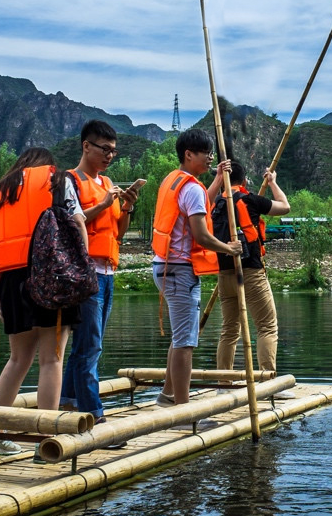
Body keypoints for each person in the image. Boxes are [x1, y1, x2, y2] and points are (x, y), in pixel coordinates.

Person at [0, 146, 85, 456]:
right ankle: (46, 440)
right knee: (51, 359)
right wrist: (81, 269)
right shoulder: (57, 179)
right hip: (50, 274)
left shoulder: (3, 189)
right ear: (48, 164)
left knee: (17, 359)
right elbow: (77, 222)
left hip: (11, 280)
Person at [60, 120, 141, 438]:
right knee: (90, 346)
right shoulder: (70, 180)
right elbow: (71, 223)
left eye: (113, 151)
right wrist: (104, 203)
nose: (110, 155)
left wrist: (127, 208)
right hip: (84, 271)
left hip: (108, 270)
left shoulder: (107, 182)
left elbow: (117, 232)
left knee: (87, 345)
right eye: (104, 149)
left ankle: (66, 406)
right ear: (86, 146)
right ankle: (94, 417)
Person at [151, 129, 243, 408]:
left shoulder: (175, 181)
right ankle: (182, 407)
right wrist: (229, 248)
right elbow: (201, 235)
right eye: (206, 153)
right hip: (180, 271)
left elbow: (203, 201)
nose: (210, 158)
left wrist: (216, 178)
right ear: (189, 154)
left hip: (166, 267)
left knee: (180, 337)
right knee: (186, 343)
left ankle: (168, 395)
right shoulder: (189, 187)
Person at [207, 163, 294, 398]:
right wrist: (273, 182)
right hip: (251, 273)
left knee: (229, 329)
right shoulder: (250, 200)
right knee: (267, 326)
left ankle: (223, 385)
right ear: (244, 182)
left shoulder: (214, 204)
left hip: (224, 275)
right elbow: (285, 207)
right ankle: (268, 384)